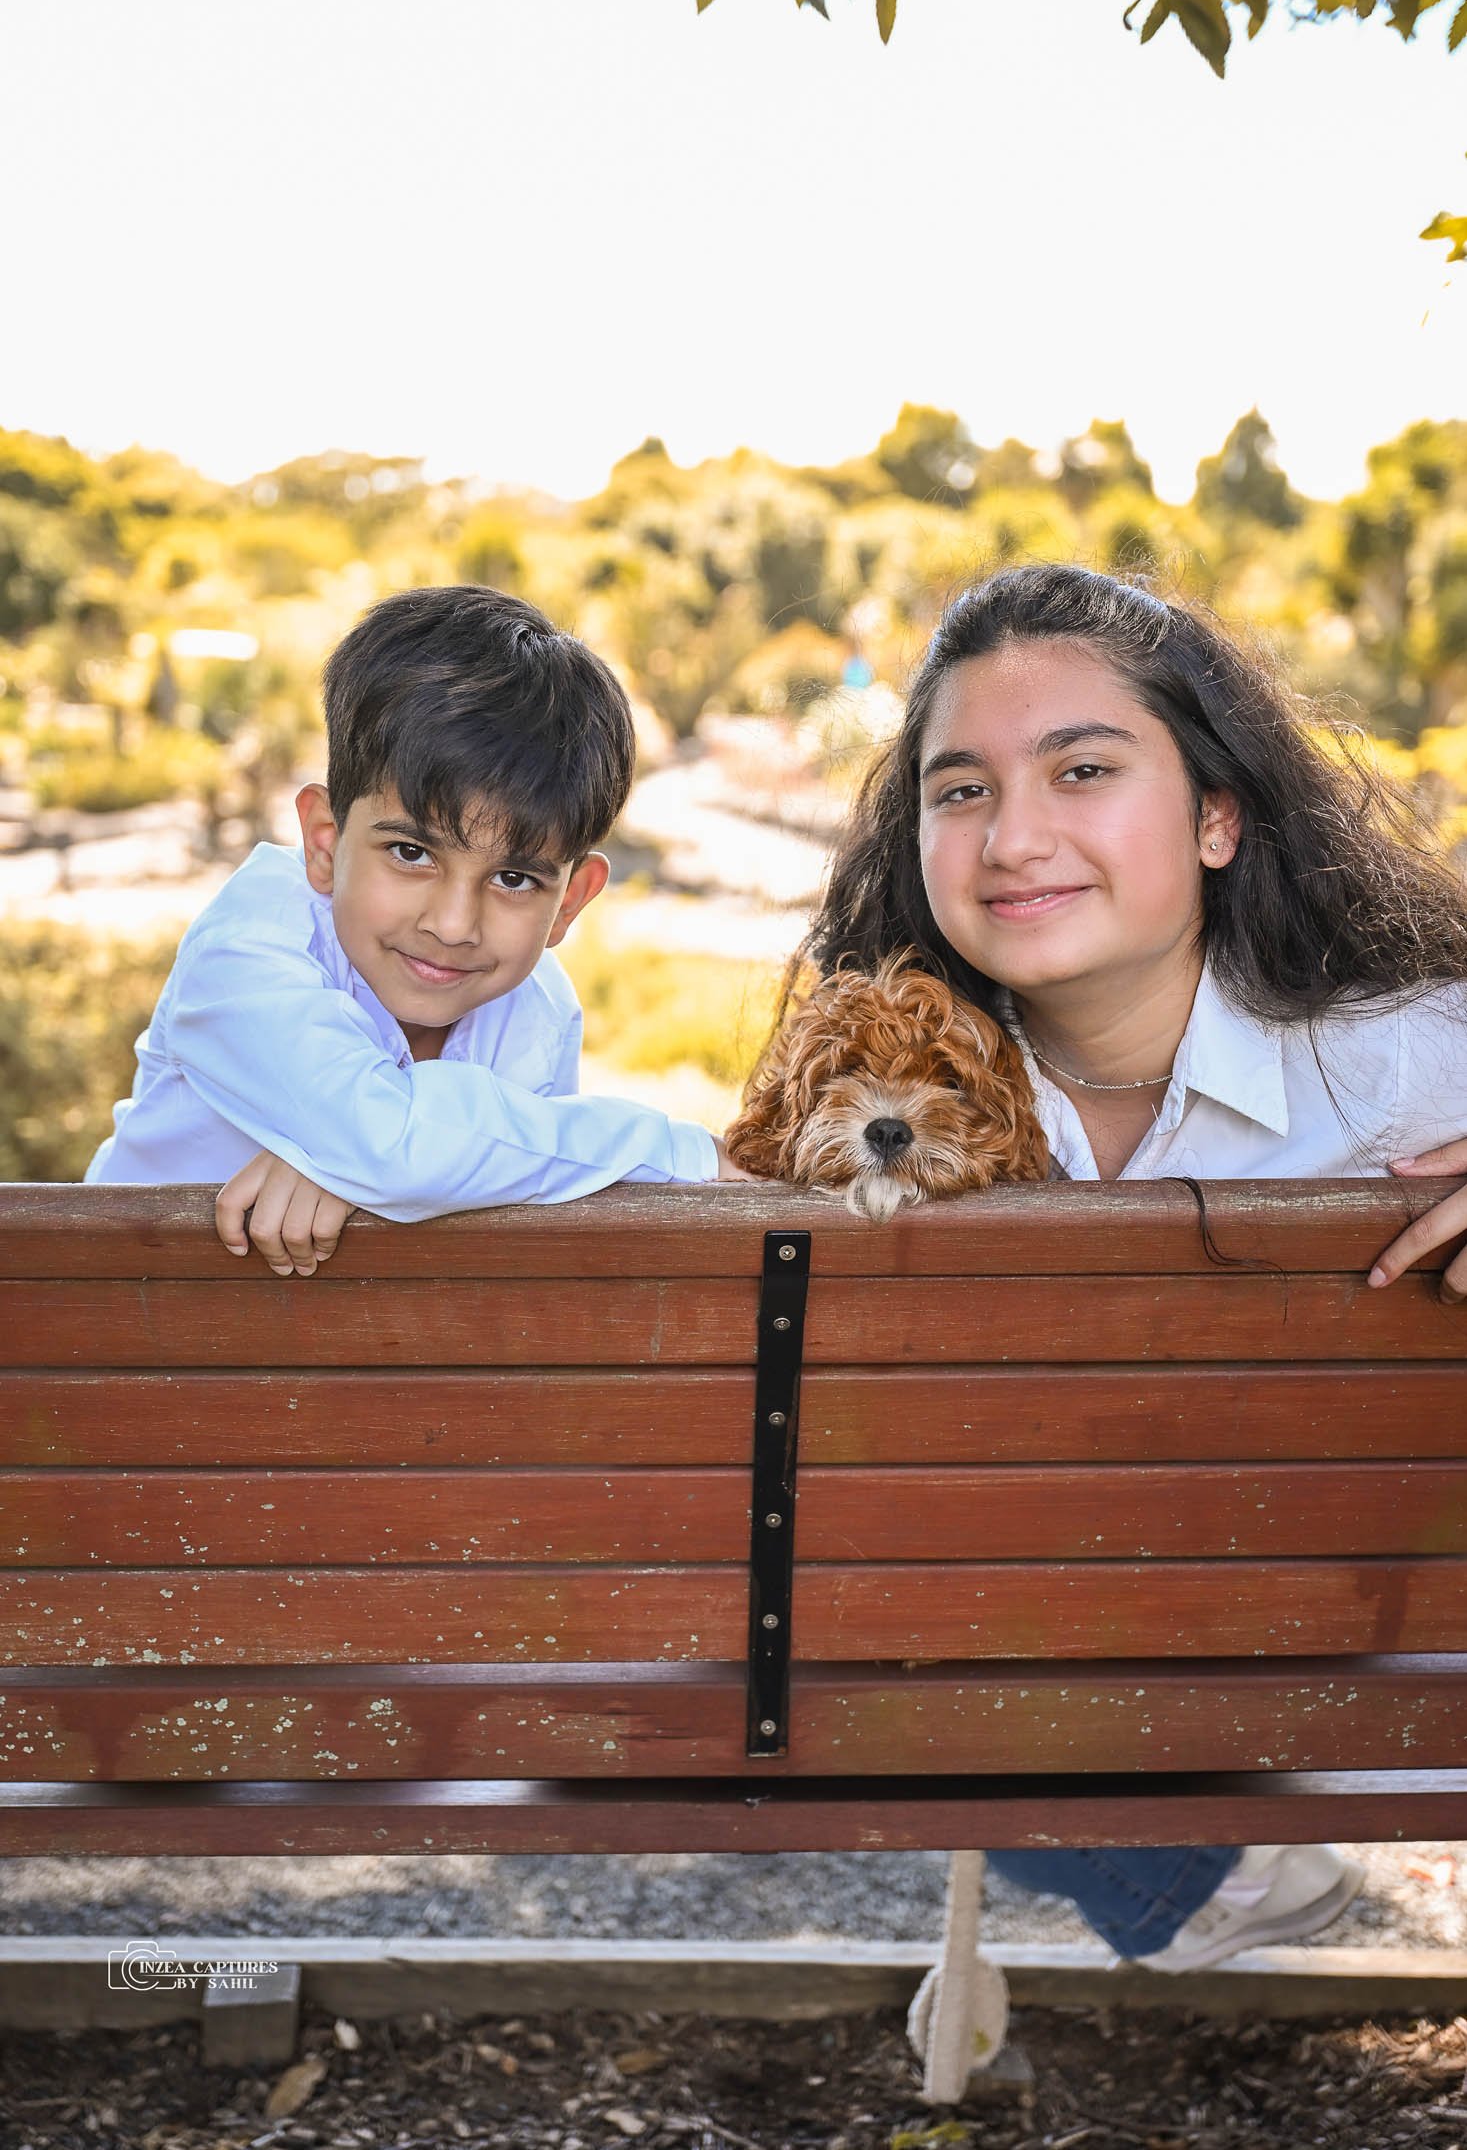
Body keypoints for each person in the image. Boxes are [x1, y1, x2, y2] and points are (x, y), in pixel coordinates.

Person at [793, 560, 1467, 1968]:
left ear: (1216, 816)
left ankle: (1210, 1876)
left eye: (1079, 769)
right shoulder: (876, 1097)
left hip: (1359, 1648)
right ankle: (1201, 1873)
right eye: (959, 789)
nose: (1010, 837)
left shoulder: (1410, 1061)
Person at [87, 585, 747, 1271]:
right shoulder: (245, 953)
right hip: (95, 1349)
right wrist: (676, 1151)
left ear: (571, 902)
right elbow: (398, 1148)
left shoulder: (538, 1009)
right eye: (410, 853)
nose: (455, 924)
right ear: (322, 842)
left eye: (514, 879)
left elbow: (462, 1175)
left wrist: (354, 1168)